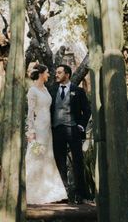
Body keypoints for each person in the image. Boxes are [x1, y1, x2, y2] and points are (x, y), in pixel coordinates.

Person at [25, 63, 68, 204]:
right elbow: (30, 113)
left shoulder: (45, 89)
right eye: (47, 72)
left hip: (47, 129)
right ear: (41, 73)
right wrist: (30, 132)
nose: (49, 74)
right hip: (38, 129)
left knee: (47, 157)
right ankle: (32, 193)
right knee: (36, 156)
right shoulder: (32, 91)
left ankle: (48, 192)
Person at [50, 64, 92, 203]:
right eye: (56, 72)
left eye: (59, 72)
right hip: (56, 130)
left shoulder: (78, 91)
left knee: (78, 162)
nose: (56, 75)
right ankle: (63, 195)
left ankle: (81, 195)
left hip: (73, 129)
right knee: (59, 162)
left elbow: (87, 110)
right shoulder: (52, 90)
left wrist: (80, 125)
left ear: (67, 74)